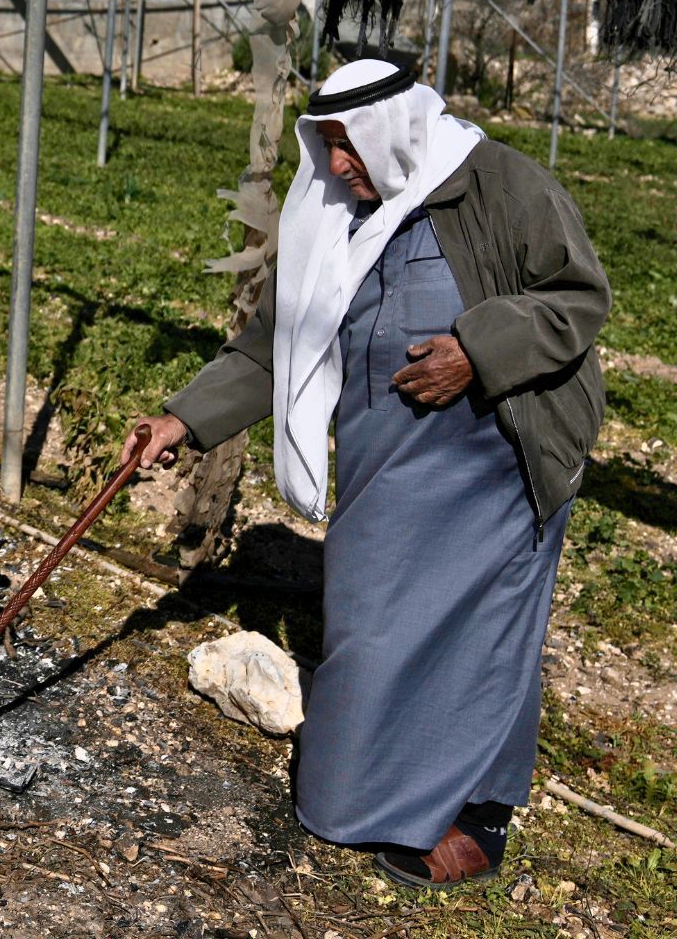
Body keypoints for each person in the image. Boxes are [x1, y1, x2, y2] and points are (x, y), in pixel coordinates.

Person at [123, 59, 609, 889]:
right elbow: (268, 349)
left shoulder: (498, 185)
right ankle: (365, 793)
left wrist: (475, 349)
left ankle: (479, 816)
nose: (337, 165)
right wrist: (182, 419)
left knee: (484, 634)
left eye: (348, 145)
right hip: (391, 464)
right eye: (326, 145)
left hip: (494, 457)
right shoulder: (330, 218)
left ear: (396, 129)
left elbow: (577, 298)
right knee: (373, 621)